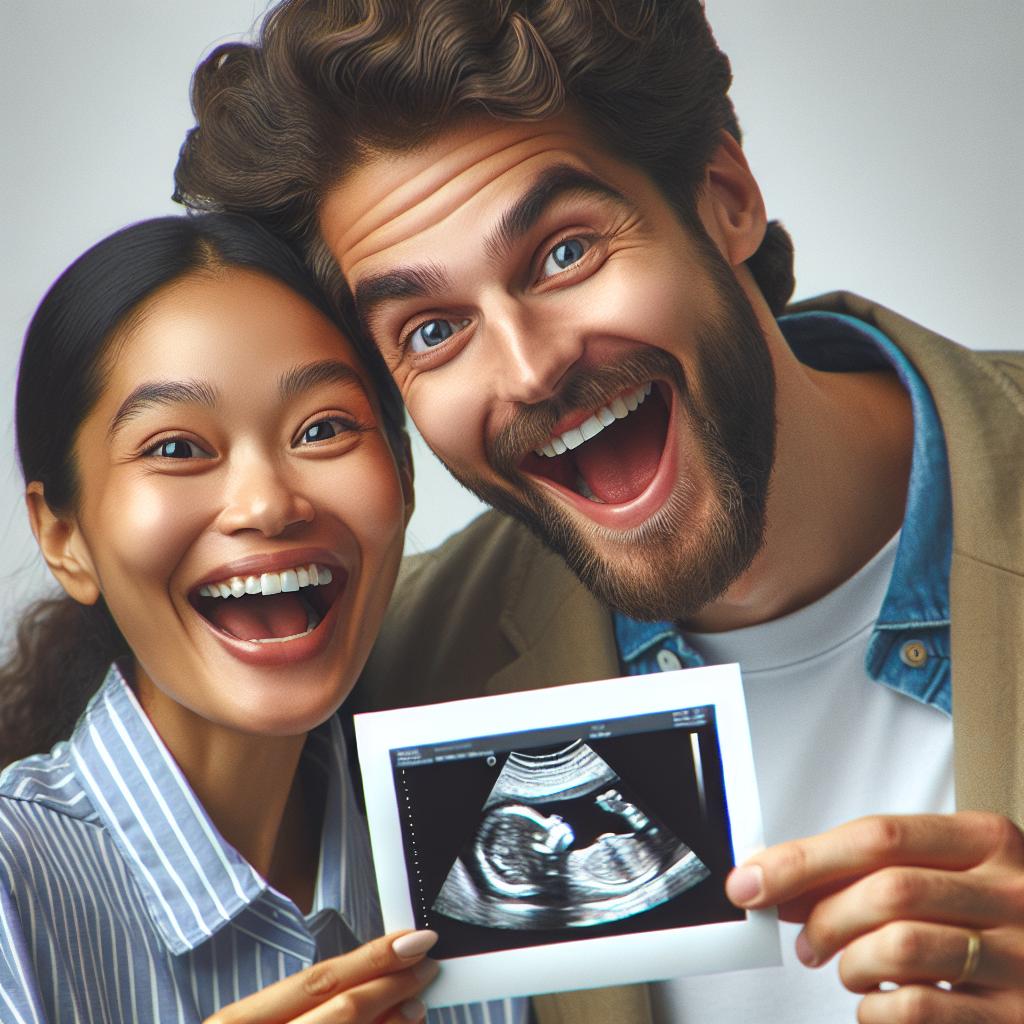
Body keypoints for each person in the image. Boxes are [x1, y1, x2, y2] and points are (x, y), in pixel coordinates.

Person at [172, 1, 1024, 1021]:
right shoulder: (393, 683)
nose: (530, 370)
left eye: (565, 254)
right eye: (434, 329)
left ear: (724, 196)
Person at [0, 213, 515, 1023]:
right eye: (175, 449)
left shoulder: (484, 846)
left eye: (324, 429)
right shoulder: (13, 889)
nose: (269, 504)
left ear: (404, 480)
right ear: (64, 537)